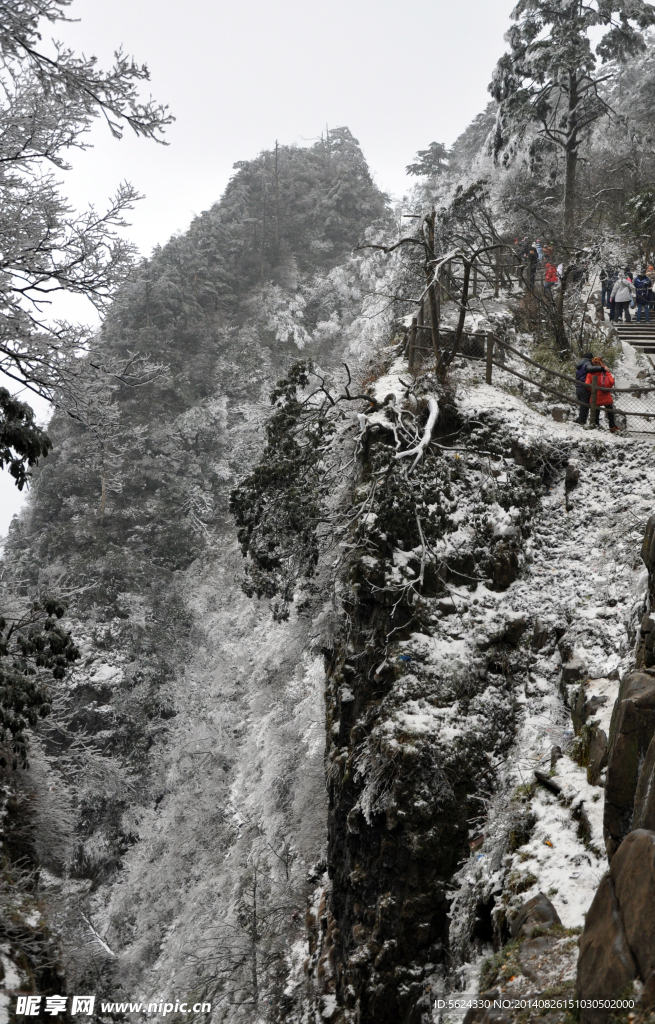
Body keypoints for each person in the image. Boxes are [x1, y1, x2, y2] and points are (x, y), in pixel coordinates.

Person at [585, 357, 619, 433]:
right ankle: (612, 426)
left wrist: (592, 390)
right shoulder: (605, 371)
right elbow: (611, 381)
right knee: (610, 410)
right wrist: (607, 388)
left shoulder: (590, 372)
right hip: (605, 394)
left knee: (596, 411)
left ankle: (596, 425)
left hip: (595, 395)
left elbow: (587, 384)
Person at [576, 353, 602, 424]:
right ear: (591, 358)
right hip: (584, 388)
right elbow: (590, 369)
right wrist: (602, 368)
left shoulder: (580, 363)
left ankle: (581, 421)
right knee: (584, 406)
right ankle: (582, 422)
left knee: (583, 406)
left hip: (578, 387)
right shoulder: (587, 364)